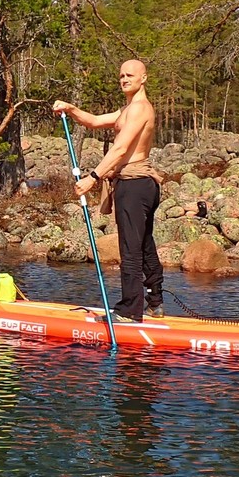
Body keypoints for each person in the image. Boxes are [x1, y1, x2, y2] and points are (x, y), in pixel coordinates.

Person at [53, 59, 164, 323]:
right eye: (121, 76)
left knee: (130, 249)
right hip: (136, 184)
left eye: (130, 75)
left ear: (143, 78)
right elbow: (92, 121)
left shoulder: (139, 109)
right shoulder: (127, 110)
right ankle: (154, 304)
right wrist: (71, 108)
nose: (124, 79)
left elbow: (121, 149)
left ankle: (129, 311)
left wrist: (93, 178)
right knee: (145, 245)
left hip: (135, 184)